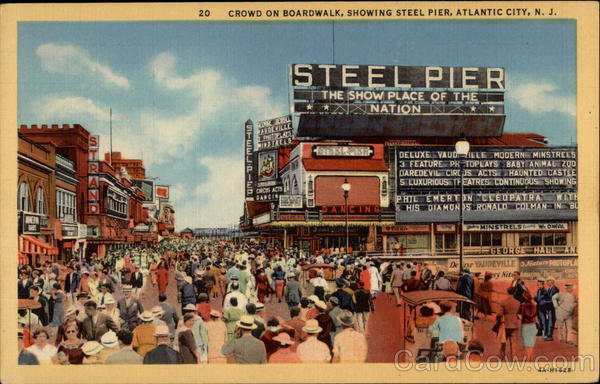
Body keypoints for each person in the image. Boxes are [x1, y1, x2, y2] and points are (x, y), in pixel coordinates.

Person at [497, 295, 521, 360]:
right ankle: (514, 357)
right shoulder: (518, 302)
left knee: (503, 341)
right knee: (513, 343)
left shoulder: (504, 302)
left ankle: (502, 356)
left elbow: (499, 314)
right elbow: (519, 313)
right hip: (514, 324)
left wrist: (498, 320)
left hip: (505, 324)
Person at [519, 294, 538, 361]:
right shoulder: (534, 306)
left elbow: (519, 316)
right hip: (533, 325)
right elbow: (536, 314)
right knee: (531, 343)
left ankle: (528, 357)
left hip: (525, 325)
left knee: (526, 343)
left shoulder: (522, 306)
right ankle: (531, 357)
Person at [544, 277, 560, 341]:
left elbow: (554, 300)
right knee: (548, 321)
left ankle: (550, 336)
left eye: (549, 281)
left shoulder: (555, 289)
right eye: (547, 281)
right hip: (549, 308)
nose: (547, 282)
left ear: (552, 282)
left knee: (551, 322)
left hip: (553, 308)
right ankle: (548, 335)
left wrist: (545, 302)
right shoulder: (549, 289)